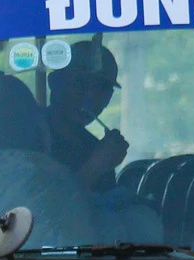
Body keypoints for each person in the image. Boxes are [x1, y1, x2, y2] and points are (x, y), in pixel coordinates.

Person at [42, 40, 130, 192]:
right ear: (54, 82)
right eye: (79, 83)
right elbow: (45, 207)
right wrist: (95, 167)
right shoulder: (27, 136)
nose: (90, 96)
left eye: (102, 88)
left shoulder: (94, 148)